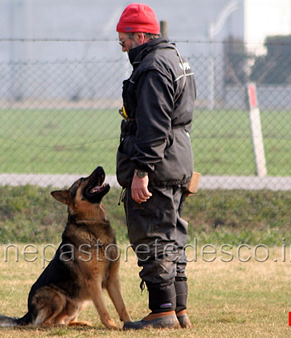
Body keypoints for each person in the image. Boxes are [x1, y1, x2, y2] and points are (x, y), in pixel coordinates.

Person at [115, 3, 196, 330]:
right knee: (172, 235)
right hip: (178, 159)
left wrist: (141, 171)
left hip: (158, 166)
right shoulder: (176, 58)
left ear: (138, 35)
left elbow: (153, 125)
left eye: (123, 41)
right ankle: (178, 311)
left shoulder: (152, 68)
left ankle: (161, 311)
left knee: (152, 236)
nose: (122, 48)